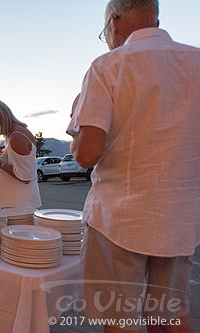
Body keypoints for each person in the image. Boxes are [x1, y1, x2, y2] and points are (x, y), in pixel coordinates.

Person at [68, 1, 199, 332]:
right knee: (169, 315)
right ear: (156, 16)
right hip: (180, 218)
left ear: (114, 20)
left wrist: (76, 133)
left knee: (120, 318)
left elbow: (86, 155)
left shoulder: (108, 66)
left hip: (119, 219)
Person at [0, 100, 41, 212]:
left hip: (18, 205)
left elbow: (24, 176)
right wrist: (2, 155)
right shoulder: (16, 133)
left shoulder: (16, 136)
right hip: (15, 203)